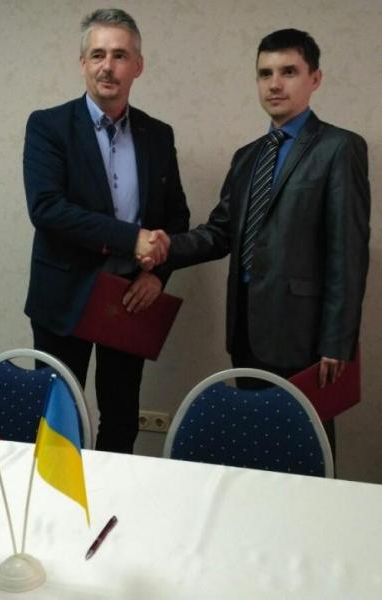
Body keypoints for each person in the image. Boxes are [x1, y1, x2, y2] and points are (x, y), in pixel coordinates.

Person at [142, 28, 370, 455]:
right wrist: (164, 246)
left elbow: (349, 253)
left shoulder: (340, 148)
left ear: (315, 79)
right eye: (265, 74)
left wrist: (337, 341)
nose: (275, 84)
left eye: (288, 72)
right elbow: (219, 233)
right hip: (246, 330)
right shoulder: (247, 157)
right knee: (255, 446)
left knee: (305, 454)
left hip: (306, 336)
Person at [23, 8, 190, 453]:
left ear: (138, 66)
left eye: (119, 55)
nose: (107, 66)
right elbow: (47, 209)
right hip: (63, 297)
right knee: (58, 420)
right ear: (82, 63)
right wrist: (130, 239)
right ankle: (58, 499)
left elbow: (175, 218)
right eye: (97, 54)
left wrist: (157, 275)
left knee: (121, 418)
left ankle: (112, 496)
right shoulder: (48, 126)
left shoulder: (158, 135)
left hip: (130, 298)